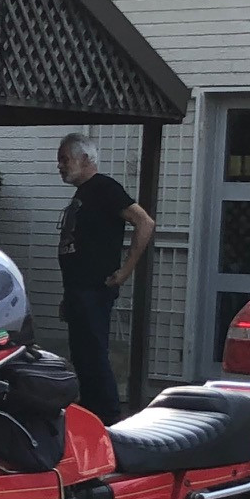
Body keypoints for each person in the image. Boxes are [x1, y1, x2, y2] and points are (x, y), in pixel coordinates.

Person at [54, 132, 155, 424]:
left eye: (65, 159)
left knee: (93, 355)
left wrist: (125, 271)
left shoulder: (104, 188)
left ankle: (109, 418)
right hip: (77, 289)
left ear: (86, 159)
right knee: (82, 356)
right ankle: (91, 415)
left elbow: (145, 222)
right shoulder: (84, 193)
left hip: (95, 288)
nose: (60, 166)